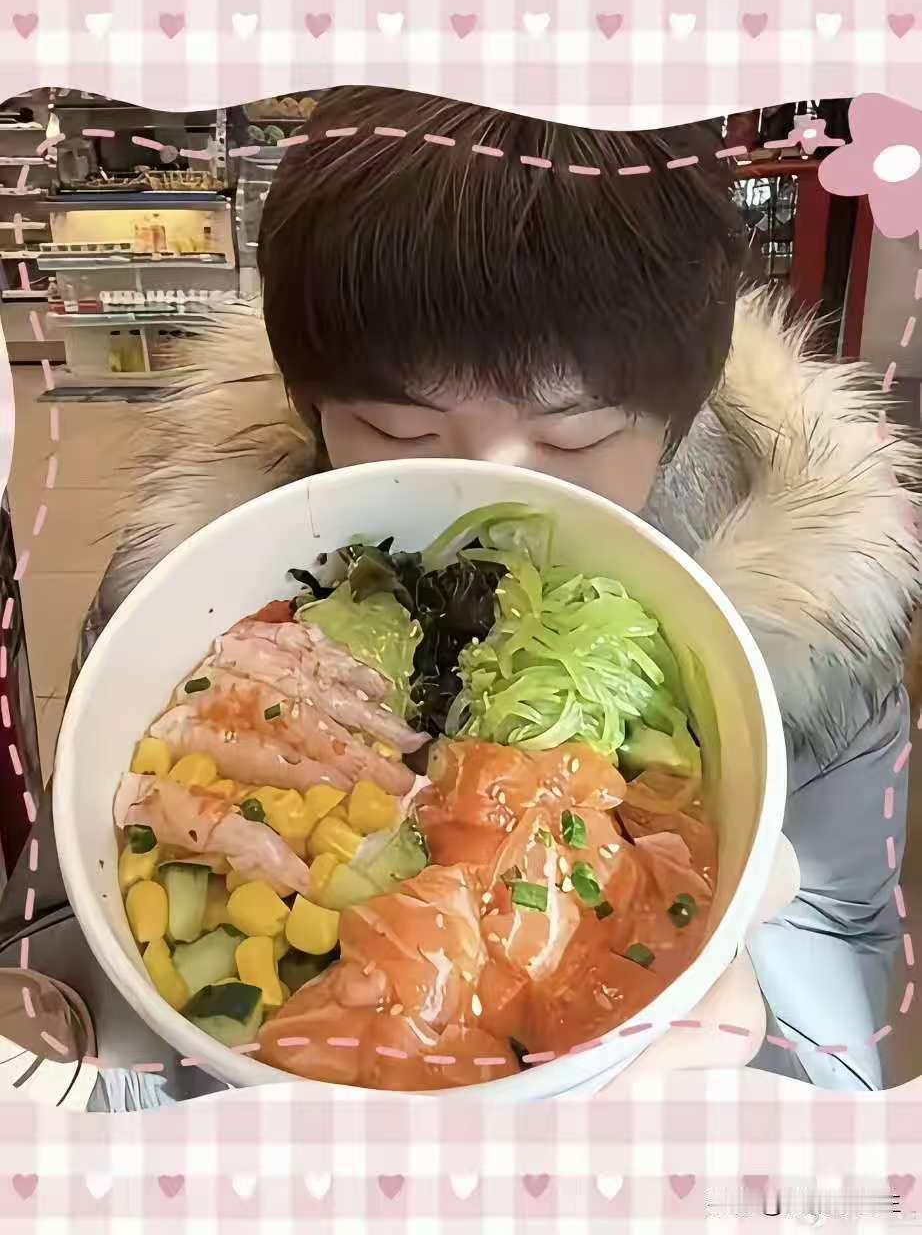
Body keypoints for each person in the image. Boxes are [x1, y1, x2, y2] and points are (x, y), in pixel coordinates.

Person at [1, 86, 917, 1106]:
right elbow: (67, 910)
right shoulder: (184, 585)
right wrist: (94, 1051)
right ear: (310, 401)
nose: (485, 494)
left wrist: (757, 1039)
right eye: (398, 430)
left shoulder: (823, 616)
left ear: (680, 415)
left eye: (572, 438)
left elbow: (843, 948)